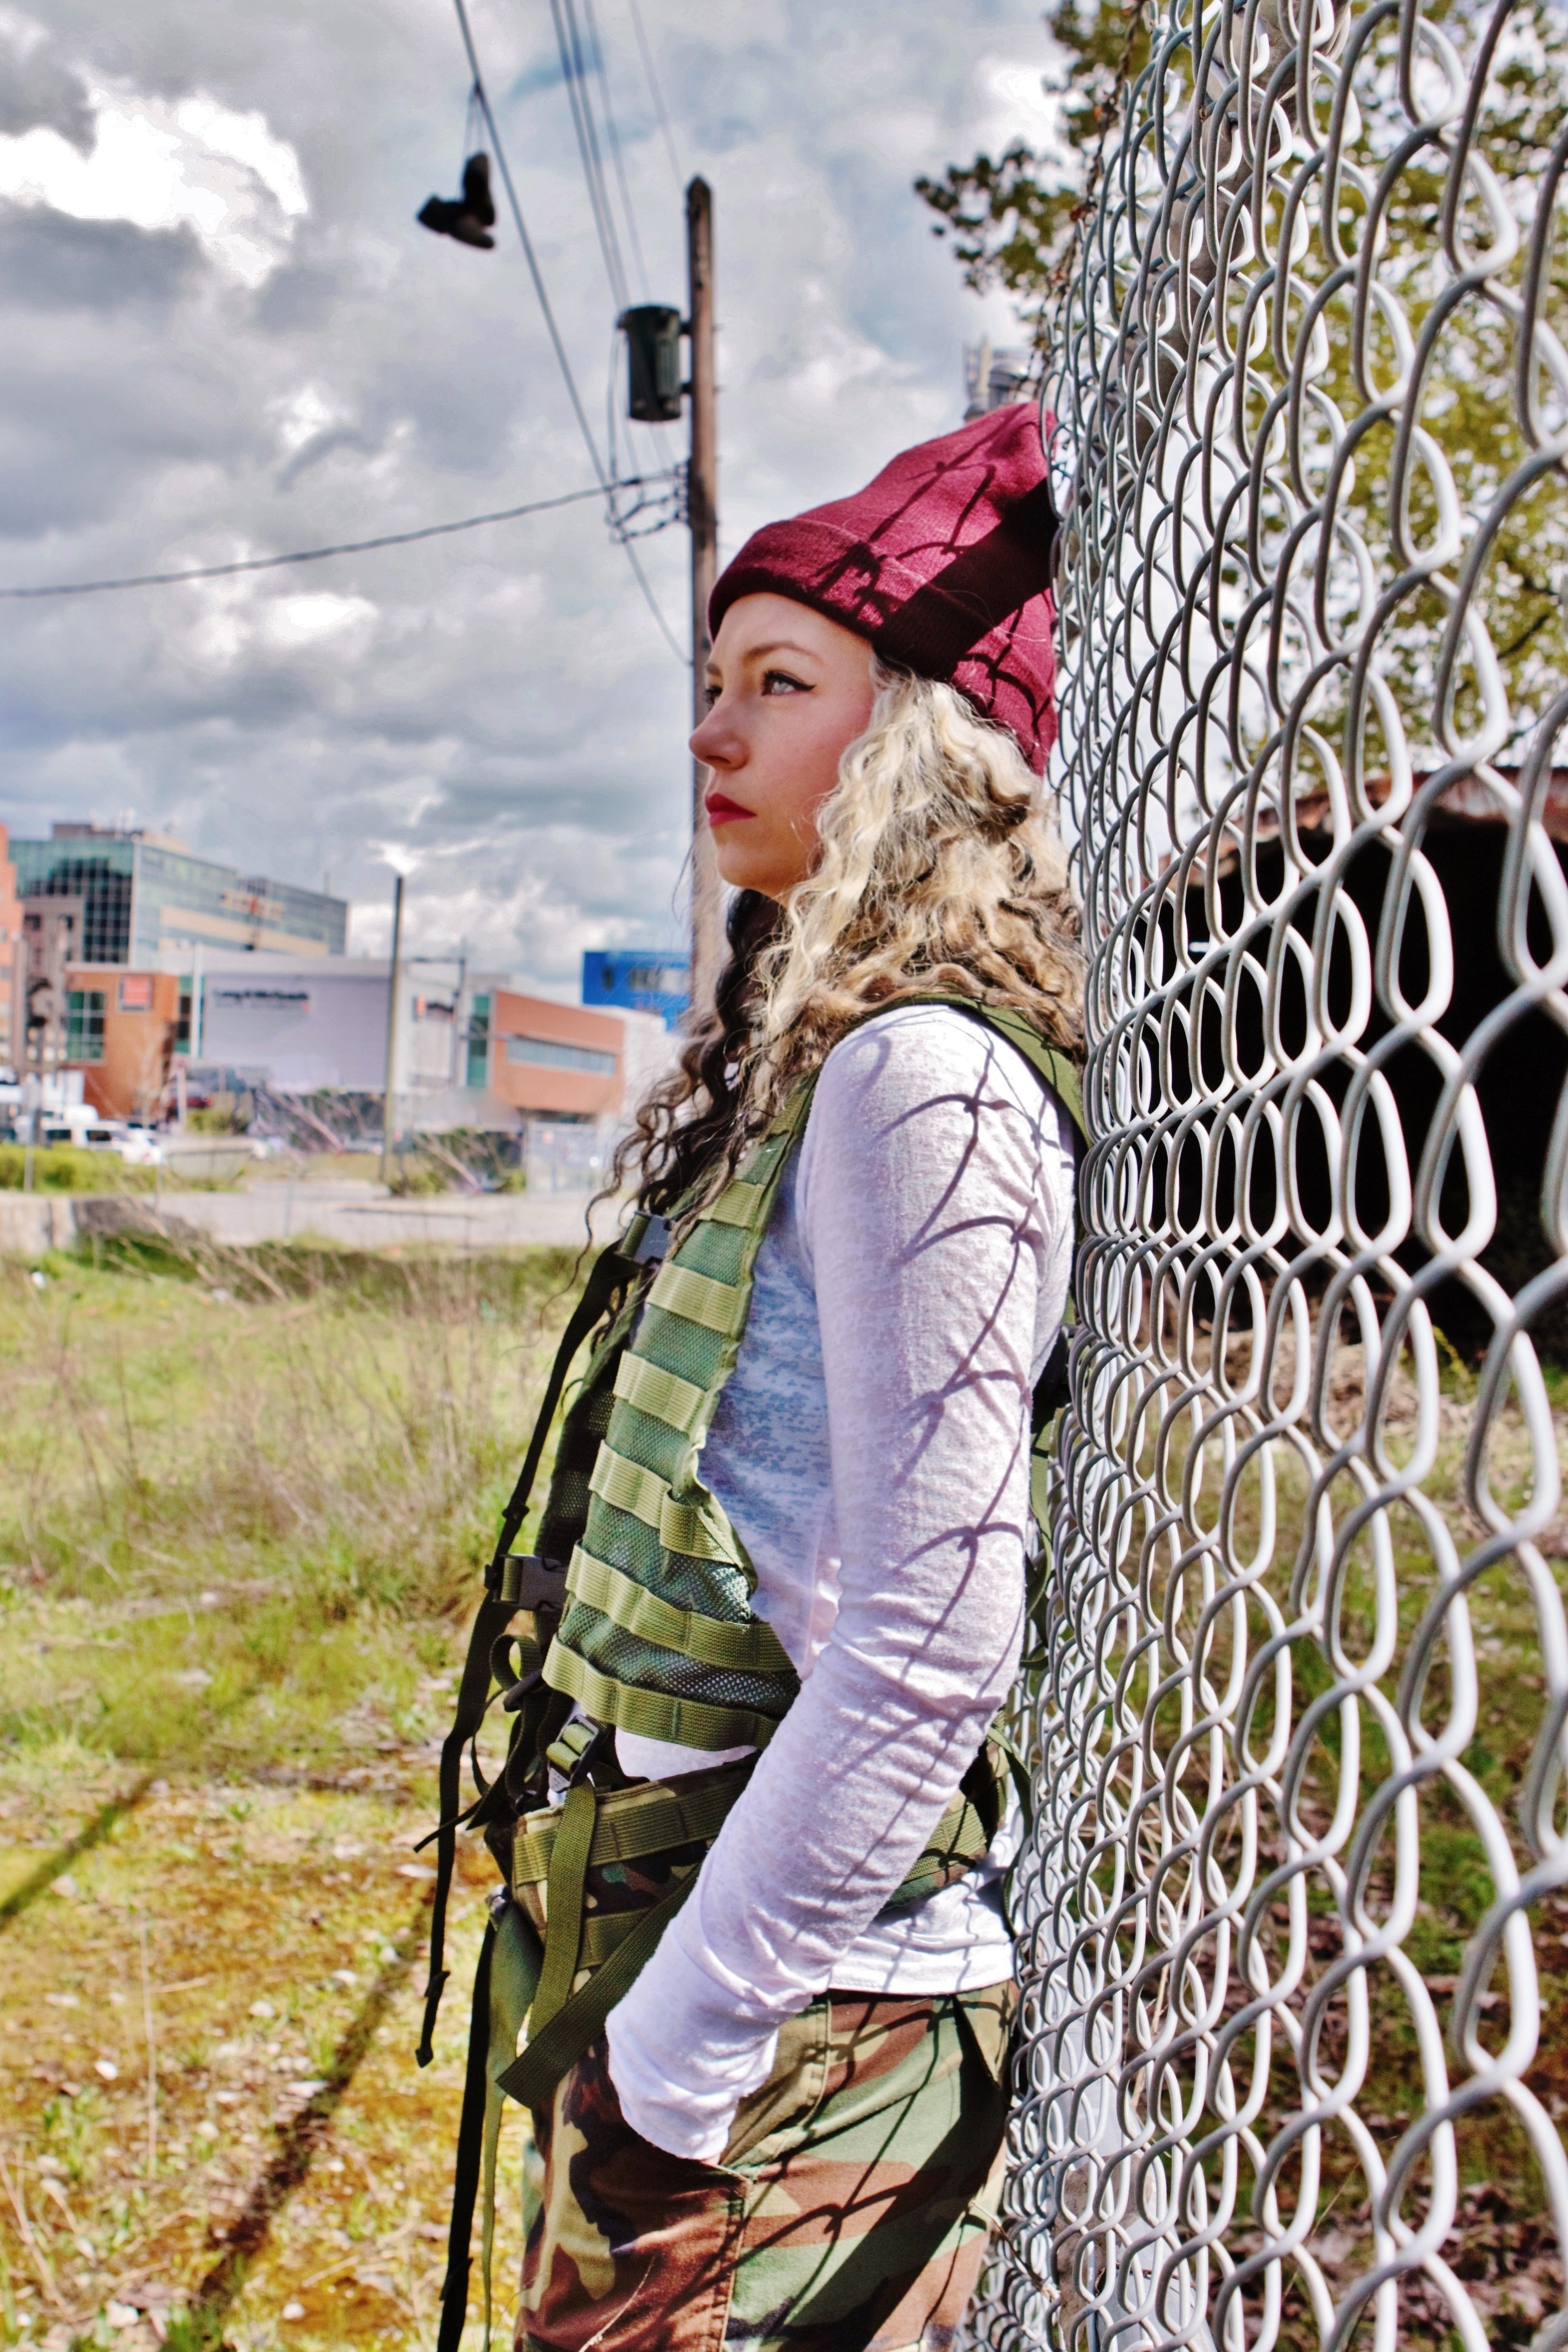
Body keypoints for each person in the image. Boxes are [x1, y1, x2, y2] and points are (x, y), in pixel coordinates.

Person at [515, 402, 1084, 2352]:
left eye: (779, 682)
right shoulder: (833, 1045)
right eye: (714, 681)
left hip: (796, 2041)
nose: (711, 732)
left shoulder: (922, 1073)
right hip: (729, 1973)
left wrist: (666, 2087)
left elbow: (934, 1638)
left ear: (923, 737)